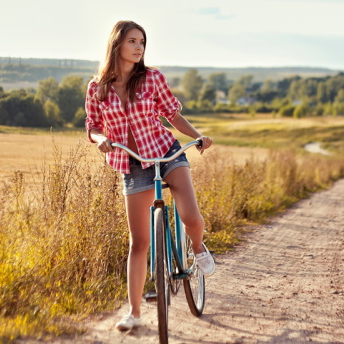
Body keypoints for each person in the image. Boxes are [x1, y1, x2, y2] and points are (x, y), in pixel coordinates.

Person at [84, 20, 215, 331]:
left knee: (191, 216)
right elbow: (92, 126)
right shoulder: (97, 88)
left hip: (166, 152)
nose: (139, 46)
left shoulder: (152, 78)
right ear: (117, 44)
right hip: (132, 163)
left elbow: (172, 114)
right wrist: (100, 138)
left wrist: (198, 136)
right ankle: (134, 313)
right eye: (133, 41)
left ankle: (197, 249)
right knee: (139, 242)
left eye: (142, 41)